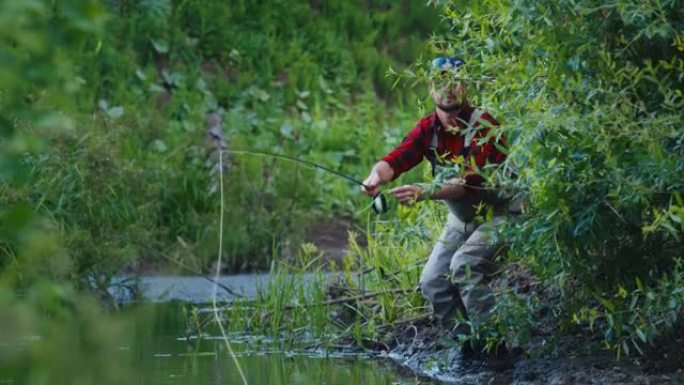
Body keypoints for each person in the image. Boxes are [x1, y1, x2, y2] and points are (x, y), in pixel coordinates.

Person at [362, 57, 515, 355]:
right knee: (433, 281)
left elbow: (468, 183)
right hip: (463, 220)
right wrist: (374, 177)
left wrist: (424, 191)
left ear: (465, 86)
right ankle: (465, 351)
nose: (448, 89)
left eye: (453, 81)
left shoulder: (484, 124)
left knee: (465, 266)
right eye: (440, 82)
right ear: (431, 89)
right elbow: (395, 160)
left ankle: (496, 353)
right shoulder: (427, 128)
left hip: (502, 214)